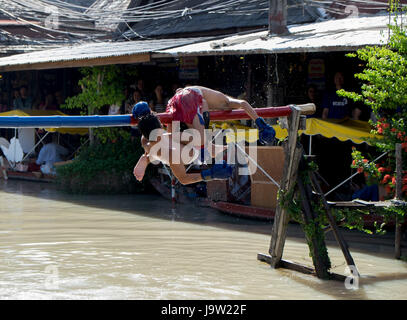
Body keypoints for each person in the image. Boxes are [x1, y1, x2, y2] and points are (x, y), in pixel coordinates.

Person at [132, 106, 233, 185]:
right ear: (161, 126)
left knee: (177, 127)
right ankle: (147, 158)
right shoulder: (171, 152)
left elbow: (145, 130)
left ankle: (147, 158)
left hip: (167, 145)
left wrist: (144, 116)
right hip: (190, 152)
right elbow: (183, 179)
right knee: (197, 138)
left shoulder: (145, 141)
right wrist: (210, 174)